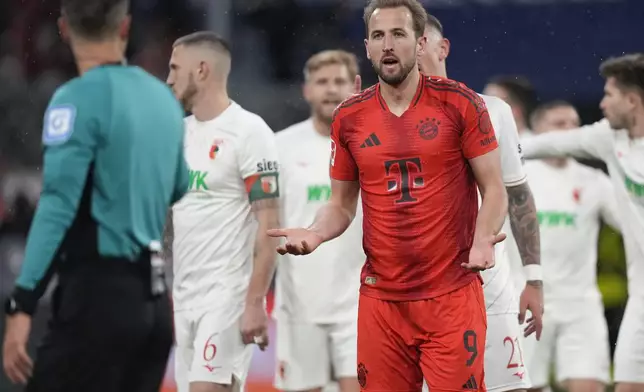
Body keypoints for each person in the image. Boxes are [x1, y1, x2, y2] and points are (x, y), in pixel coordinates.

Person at [268, 0, 508, 390]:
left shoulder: (462, 104)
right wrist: (315, 233)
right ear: (366, 47)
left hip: (450, 293)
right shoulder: (350, 117)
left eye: (398, 34)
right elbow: (341, 204)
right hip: (382, 300)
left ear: (419, 43)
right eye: (378, 36)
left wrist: (483, 238)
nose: (388, 45)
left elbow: (495, 189)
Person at [2, 0, 189, 391]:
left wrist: (22, 303)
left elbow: (57, 204)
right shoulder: (163, 100)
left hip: (97, 300)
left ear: (64, 29)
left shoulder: (75, 99)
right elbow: (178, 186)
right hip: (154, 307)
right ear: (125, 28)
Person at [418, 15, 543, 392]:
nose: (412, 47)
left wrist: (534, 279)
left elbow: (518, 195)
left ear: (443, 48)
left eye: (420, 39)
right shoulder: (378, 116)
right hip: (418, 292)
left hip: (489, 288)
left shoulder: (493, 110)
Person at [520, 53, 644, 392]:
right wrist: (483, 148)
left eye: (609, 95)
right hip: (632, 299)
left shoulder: (593, 181)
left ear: (632, 101)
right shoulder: (608, 138)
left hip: (582, 304)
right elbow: (543, 144)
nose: (601, 104)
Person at [165, 31, 281, 392]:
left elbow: (270, 223)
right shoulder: (176, 134)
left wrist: (254, 302)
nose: (167, 79)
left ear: (201, 70)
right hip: (183, 299)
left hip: (226, 297)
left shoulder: (250, 133)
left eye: (174, 68)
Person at [273, 50, 362, 392]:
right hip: (299, 305)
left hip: (359, 304)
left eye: (339, 81)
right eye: (321, 82)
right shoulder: (280, 147)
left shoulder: (373, 146)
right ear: (305, 90)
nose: (331, 90)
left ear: (355, 88)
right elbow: (263, 223)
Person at [520, 100, 619, 392]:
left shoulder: (595, 180)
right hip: (525, 301)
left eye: (574, 124)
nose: (569, 131)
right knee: (527, 387)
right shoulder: (516, 179)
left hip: (580, 303)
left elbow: (633, 225)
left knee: (588, 386)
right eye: (559, 124)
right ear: (537, 131)